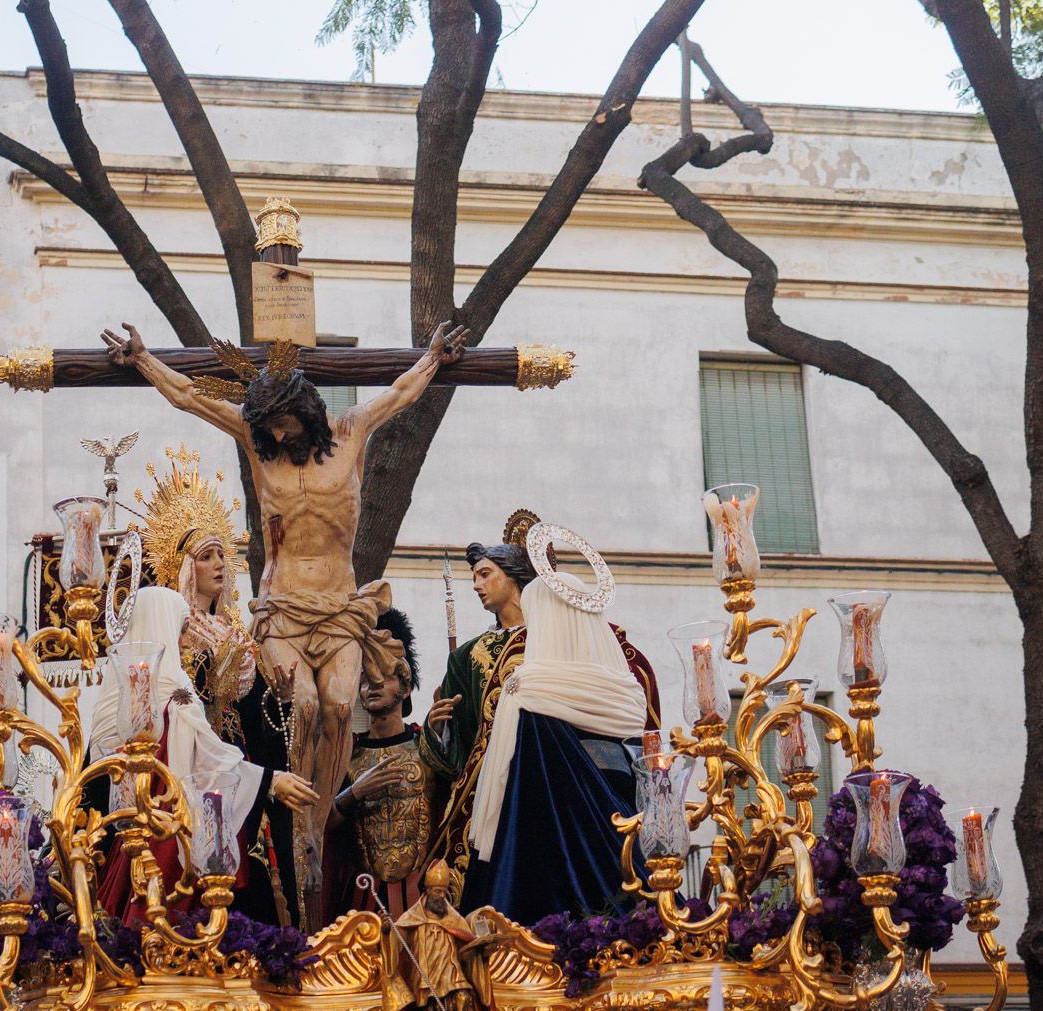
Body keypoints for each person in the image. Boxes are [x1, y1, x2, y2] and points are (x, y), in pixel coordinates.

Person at [102, 320, 466, 929]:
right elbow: (194, 398)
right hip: (282, 608)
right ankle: (302, 828)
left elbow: (401, 393)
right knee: (300, 707)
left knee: (337, 703)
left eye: (283, 425)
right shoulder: (256, 442)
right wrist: (143, 360)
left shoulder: (351, 434)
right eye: (267, 427)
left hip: (340, 604)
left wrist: (432, 357)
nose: (274, 435)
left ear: (306, 412)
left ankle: (320, 819)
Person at [423, 512, 660, 900]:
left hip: (574, 775)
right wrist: (438, 730)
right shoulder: (468, 657)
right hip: (491, 784)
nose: (477, 585)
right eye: (474, 577)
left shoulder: (568, 633)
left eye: (485, 574)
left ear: (514, 575)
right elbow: (460, 745)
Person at [136, 445, 307, 926]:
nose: (219, 565)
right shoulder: (175, 635)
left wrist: (279, 700)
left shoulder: (236, 634)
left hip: (239, 767)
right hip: (194, 766)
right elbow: (179, 706)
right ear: (187, 568)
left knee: (249, 877)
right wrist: (211, 669)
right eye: (206, 556)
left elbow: (255, 720)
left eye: (222, 555)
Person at [87, 587, 317, 922]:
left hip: (131, 842)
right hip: (166, 838)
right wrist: (270, 780)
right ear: (160, 627)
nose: (184, 643)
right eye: (180, 631)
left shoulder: (116, 697)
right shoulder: (175, 694)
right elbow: (207, 761)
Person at [331, 610, 443, 917]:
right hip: (363, 898)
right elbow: (320, 825)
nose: (373, 685)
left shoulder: (427, 746)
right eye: (366, 679)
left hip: (424, 896)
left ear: (405, 688)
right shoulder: (346, 753)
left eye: (385, 677)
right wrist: (354, 793)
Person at [382, 860, 494, 1011]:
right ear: (426, 892)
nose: (440, 897)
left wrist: (481, 949)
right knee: (434, 1010)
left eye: (443, 892)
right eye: (436, 892)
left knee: (463, 998)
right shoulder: (412, 918)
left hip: (452, 971)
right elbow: (397, 942)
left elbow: (468, 946)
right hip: (427, 974)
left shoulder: (454, 919)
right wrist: (388, 931)